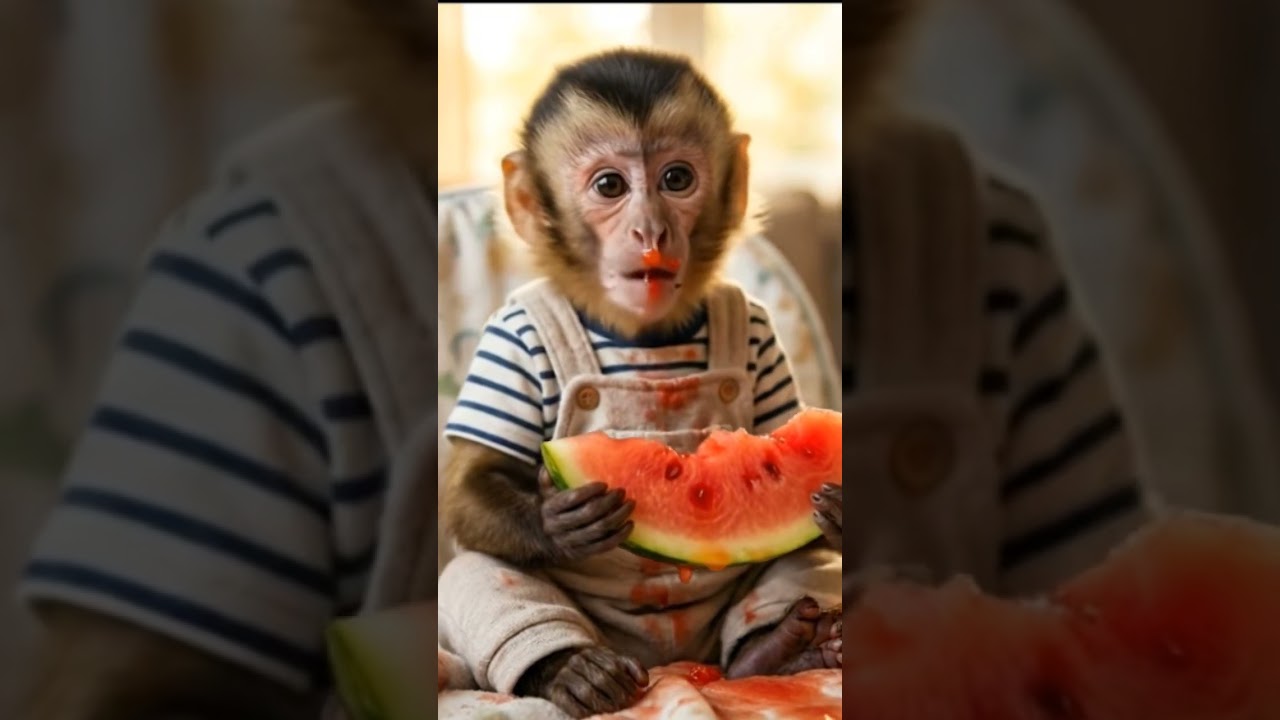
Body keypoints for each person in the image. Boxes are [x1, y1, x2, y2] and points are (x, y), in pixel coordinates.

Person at [13, 0, 1154, 718]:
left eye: (683, 183)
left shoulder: (965, 250)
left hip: (757, 638)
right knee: (478, 582)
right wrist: (528, 534)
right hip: (534, 634)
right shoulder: (272, 269)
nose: (649, 235)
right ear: (524, 192)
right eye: (608, 186)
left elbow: (1123, 660)